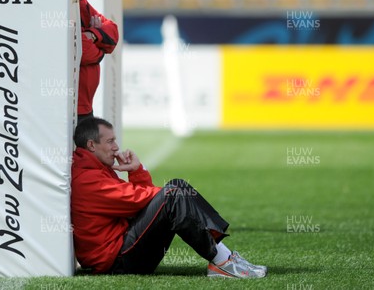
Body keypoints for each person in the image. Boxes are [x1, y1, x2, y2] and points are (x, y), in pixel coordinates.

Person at [70, 117, 267, 278]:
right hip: (118, 262)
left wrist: (137, 170)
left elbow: (141, 204)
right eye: (110, 141)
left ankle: (225, 258)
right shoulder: (87, 178)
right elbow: (139, 201)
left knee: (176, 188)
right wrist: (171, 196)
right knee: (174, 192)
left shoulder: (95, 169)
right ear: (91, 145)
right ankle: (223, 262)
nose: (116, 147)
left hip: (123, 251)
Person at [76, 0, 119, 123]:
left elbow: (113, 31)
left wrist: (93, 35)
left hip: (84, 106)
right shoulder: (65, 5)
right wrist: (100, 51)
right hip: (72, 107)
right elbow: (83, 53)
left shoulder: (80, 2)